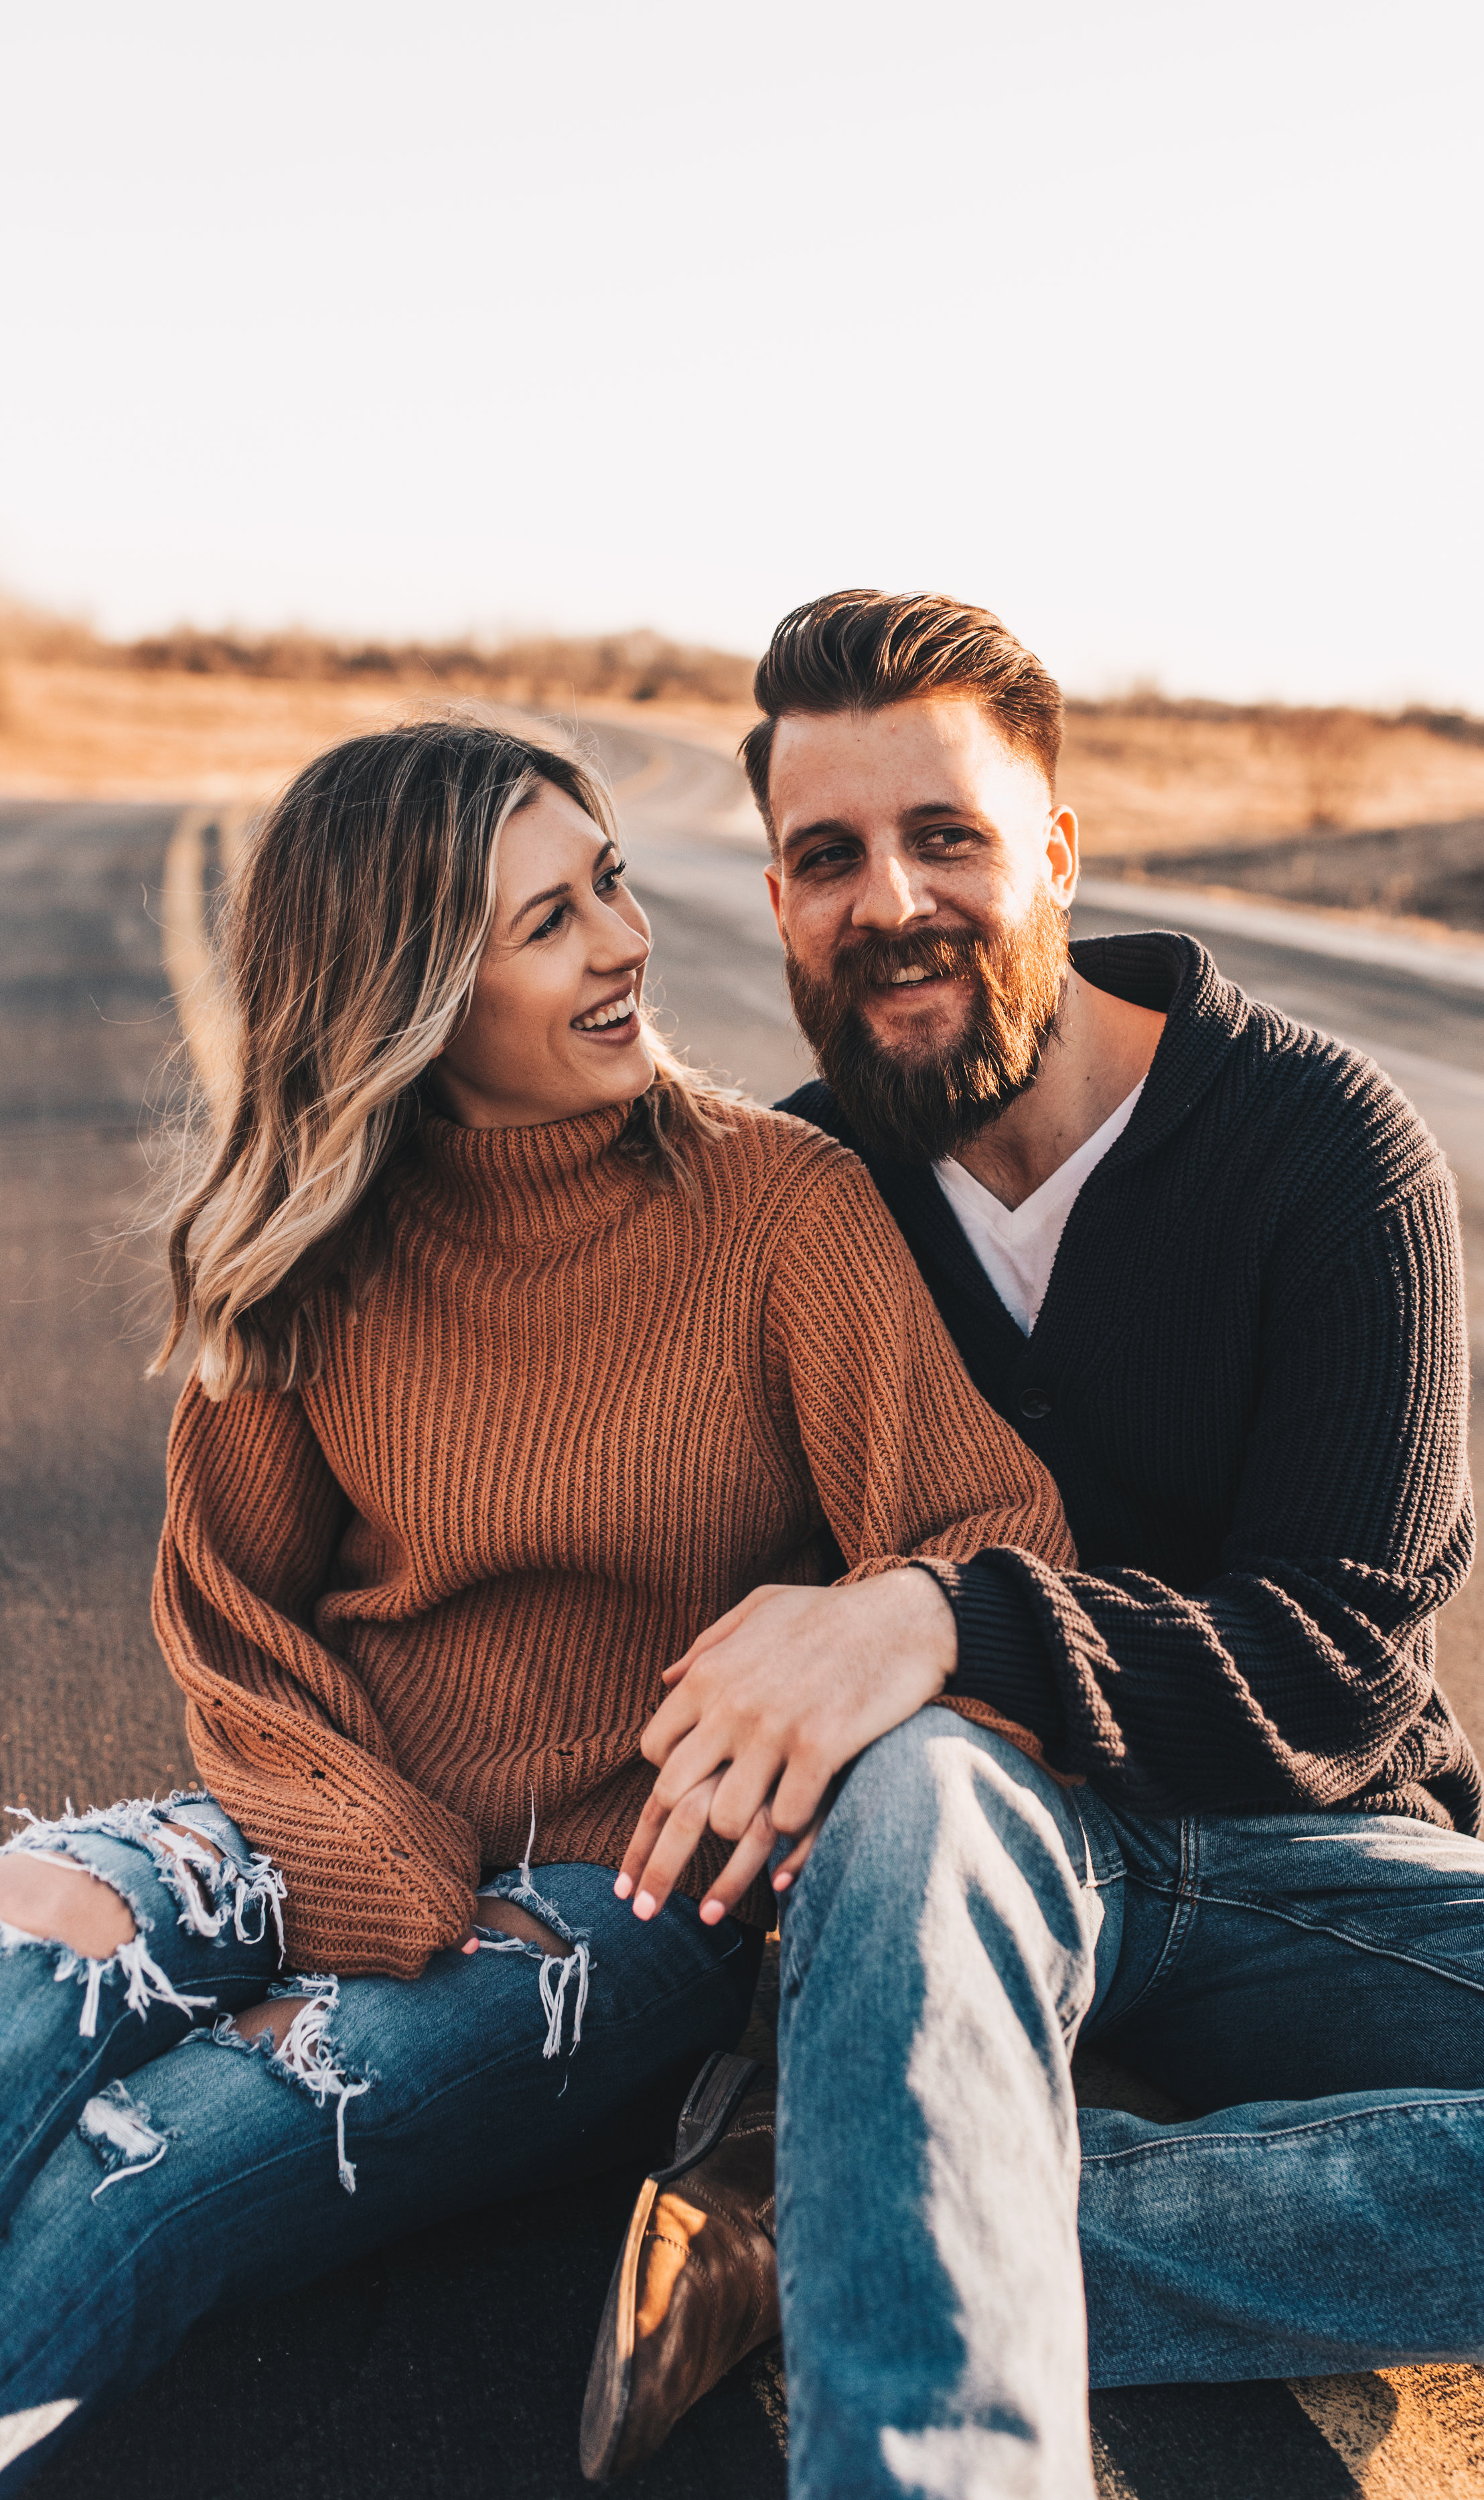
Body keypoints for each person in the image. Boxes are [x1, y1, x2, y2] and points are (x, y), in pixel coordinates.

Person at [587, 591, 1484, 2498]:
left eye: (947, 835)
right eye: (824, 856)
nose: (889, 898)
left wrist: (941, 1612)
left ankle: (850, 2222)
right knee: (917, 1776)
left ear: (1058, 853)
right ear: (773, 902)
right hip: (962, 1832)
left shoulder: (1323, 1144)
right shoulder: (782, 1196)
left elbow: (1339, 1659)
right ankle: (910, 2250)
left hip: (1300, 1838)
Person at [0, 714, 1076, 2491]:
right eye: (546, 920)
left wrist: (845, 1686)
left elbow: (983, 1527)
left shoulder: (776, 1207)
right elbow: (232, 1617)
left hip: (625, 1881)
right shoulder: (309, 1238)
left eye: (611, 884)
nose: (620, 942)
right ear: (414, 989)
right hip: (324, 1814)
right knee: (33, 1922)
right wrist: (355, 1846)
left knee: (154, 2156)